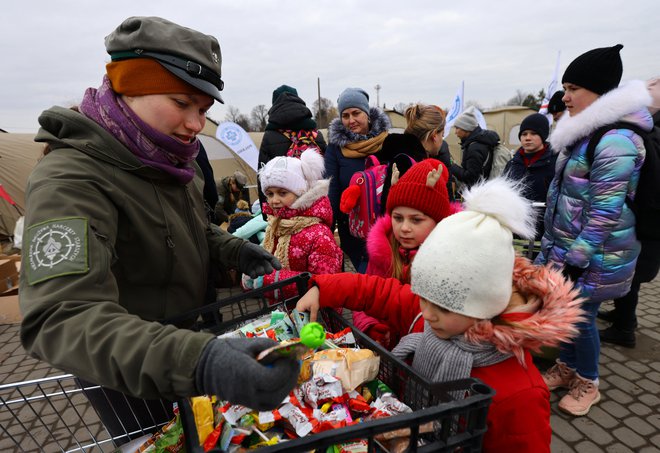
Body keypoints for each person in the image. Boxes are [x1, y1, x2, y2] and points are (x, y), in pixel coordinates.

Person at [18, 16, 299, 443]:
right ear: (130, 86)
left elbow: (190, 229)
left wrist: (233, 251)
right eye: (180, 102)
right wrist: (199, 361)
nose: (194, 124)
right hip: (130, 379)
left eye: (202, 111)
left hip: (188, 342)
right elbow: (61, 317)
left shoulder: (169, 159)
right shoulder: (71, 179)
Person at [296, 178, 584, 452]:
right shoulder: (432, 317)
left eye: (444, 307)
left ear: (485, 305)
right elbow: (378, 291)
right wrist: (324, 288)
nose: (427, 314)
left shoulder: (520, 393)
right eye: (423, 297)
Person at [535, 44, 652, 416]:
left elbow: (605, 211)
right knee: (568, 315)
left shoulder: (615, 140)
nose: (565, 97)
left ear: (599, 91)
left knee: (582, 318)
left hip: (598, 255)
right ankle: (567, 366)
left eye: (574, 89)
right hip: (573, 249)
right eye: (565, 88)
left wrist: (577, 259)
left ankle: (589, 380)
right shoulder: (585, 134)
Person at [353, 159, 453, 348]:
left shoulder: (447, 261)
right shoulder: (383, 251)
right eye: (397, 218)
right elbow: (366, 297)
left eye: (416, 220)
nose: (404, 228)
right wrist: (371, 326)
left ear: (437, 222)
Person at [598, 80, 660, 347]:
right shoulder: (648, 132)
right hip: (645, 219)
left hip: (644, 220)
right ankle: (624, 316)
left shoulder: (644, 135)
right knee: (628, 272)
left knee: (630, 275)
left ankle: (624, 328)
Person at [241, 148, 342, 300]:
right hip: (285, 313)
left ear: (301, 192)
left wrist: (267, 280)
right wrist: (254, 270)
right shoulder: (277, 225)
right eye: (269, 194)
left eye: (282, 193)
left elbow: (324, 284)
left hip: (315, 319)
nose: (274, 200)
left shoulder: (319, 234)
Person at [325, 87, 391, 273]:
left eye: (356, 113)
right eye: (345, 115)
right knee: (367, 275)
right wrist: (328, 228)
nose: (351, 120)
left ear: (367, 114)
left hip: (385, 225)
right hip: (353, 229)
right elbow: (332, 188)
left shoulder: (386, 141)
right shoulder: (336, 148)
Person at [257, 85, 327, 218]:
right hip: (316, 207)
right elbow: (327, 173)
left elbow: (263, 174)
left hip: (283, 210)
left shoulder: (270, 136)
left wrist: (266, 214)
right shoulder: (316, 135)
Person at [503, 113, 557, 239]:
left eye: (533, 133)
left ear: (543, 136)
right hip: (516, 229)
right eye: (524, 134)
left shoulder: (555, 163)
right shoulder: (512, 164)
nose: (528, 138)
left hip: (546, 231)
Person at [402, 104, 455, 201]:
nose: (442, 140)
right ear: (434, 135)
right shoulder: (424, 169)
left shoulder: (402, 156)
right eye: (442, 135)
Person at [450, 106, 500, 190]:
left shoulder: (474, 148)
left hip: (477, 192)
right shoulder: (479, 142)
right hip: (484, 188)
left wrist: (452, 166)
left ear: (466, 128)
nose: (455, 132)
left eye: (457, 128)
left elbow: (470, 178)